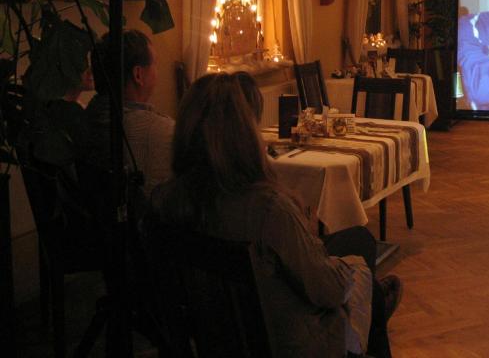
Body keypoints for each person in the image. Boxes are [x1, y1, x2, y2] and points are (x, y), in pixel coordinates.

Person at [151, 73, 400, 357]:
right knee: (360, 260)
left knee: (357, 244)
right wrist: (322, 247)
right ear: (245, 133)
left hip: (216, 340)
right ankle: (375, 306)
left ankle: (376, 303)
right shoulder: (268, 210)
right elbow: (328, 290)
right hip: (290, 343)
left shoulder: (165, 202)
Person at [84, 29, 174, 197]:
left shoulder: (88, 116)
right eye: (155, 64)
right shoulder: (159, 132)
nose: (157, 72)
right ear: (138, 74)